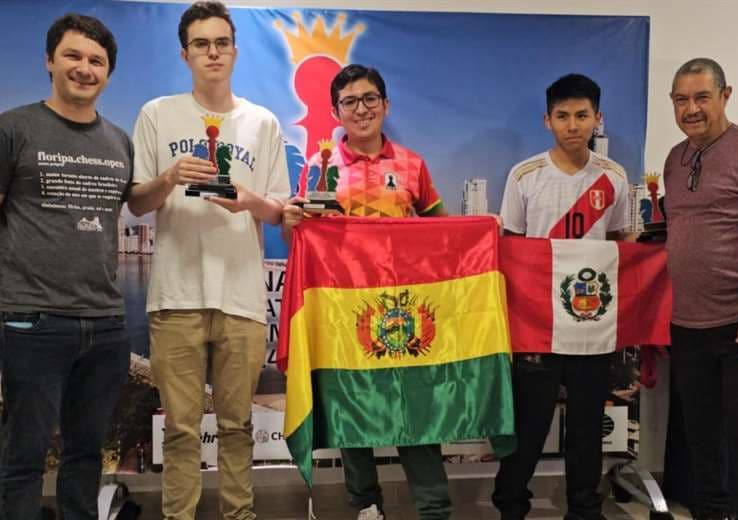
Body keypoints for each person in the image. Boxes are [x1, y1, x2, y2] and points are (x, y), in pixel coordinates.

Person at [127, 2, 289, 519]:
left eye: (221, 42)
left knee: (239, 426)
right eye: (201, 44)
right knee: (179, 428)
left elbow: (282, 213)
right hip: (176, 296)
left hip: (241, 296)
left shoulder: (262, 122)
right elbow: (136, 202)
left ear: (235, 51)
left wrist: (249, 202)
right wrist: (170, 177)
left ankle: (239, 514)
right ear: (185, 53)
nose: (212, 52)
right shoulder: (157, 113)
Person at [282, 64, 450, 520]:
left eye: (370, 98)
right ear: (336, 112)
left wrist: (482, 233)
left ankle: (434, 509)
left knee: (416, 413)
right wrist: (293, 220)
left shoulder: (413, 165)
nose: (361, 108)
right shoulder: (319, 168)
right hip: (345, 313)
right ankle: (366, 506)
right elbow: (304, 239)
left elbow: (442, 233)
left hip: (405, 311)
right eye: (350, 101)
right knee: (351, 410)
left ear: (385, 105)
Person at [0, 13, 132, 519]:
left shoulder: (119, 142)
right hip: (32, 320)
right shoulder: (15, 129)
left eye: (96, 60)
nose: (84, 68)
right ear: (49, 62)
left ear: (107, 73)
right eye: (73, 56)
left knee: (86, 455)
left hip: (106, 323)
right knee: (25, 454)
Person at [493, 73, 629, 520]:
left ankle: (584, 509)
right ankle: (511, 506)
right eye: (563, 116)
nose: (573, 125)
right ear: (547, 120)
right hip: (537, 326)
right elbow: (511, 248)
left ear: (598, 118)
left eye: (582, 115)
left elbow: (618, 248)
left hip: (591, 325)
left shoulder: (614, 177)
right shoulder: (525, 175)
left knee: (587, 428)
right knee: (529, 428)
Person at [664, 57, 738, 520]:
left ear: (725, 95)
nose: (692, 109)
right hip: (687, 323)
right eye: (681, 100)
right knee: (702, 436)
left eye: (702, 97)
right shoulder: (674, 159)